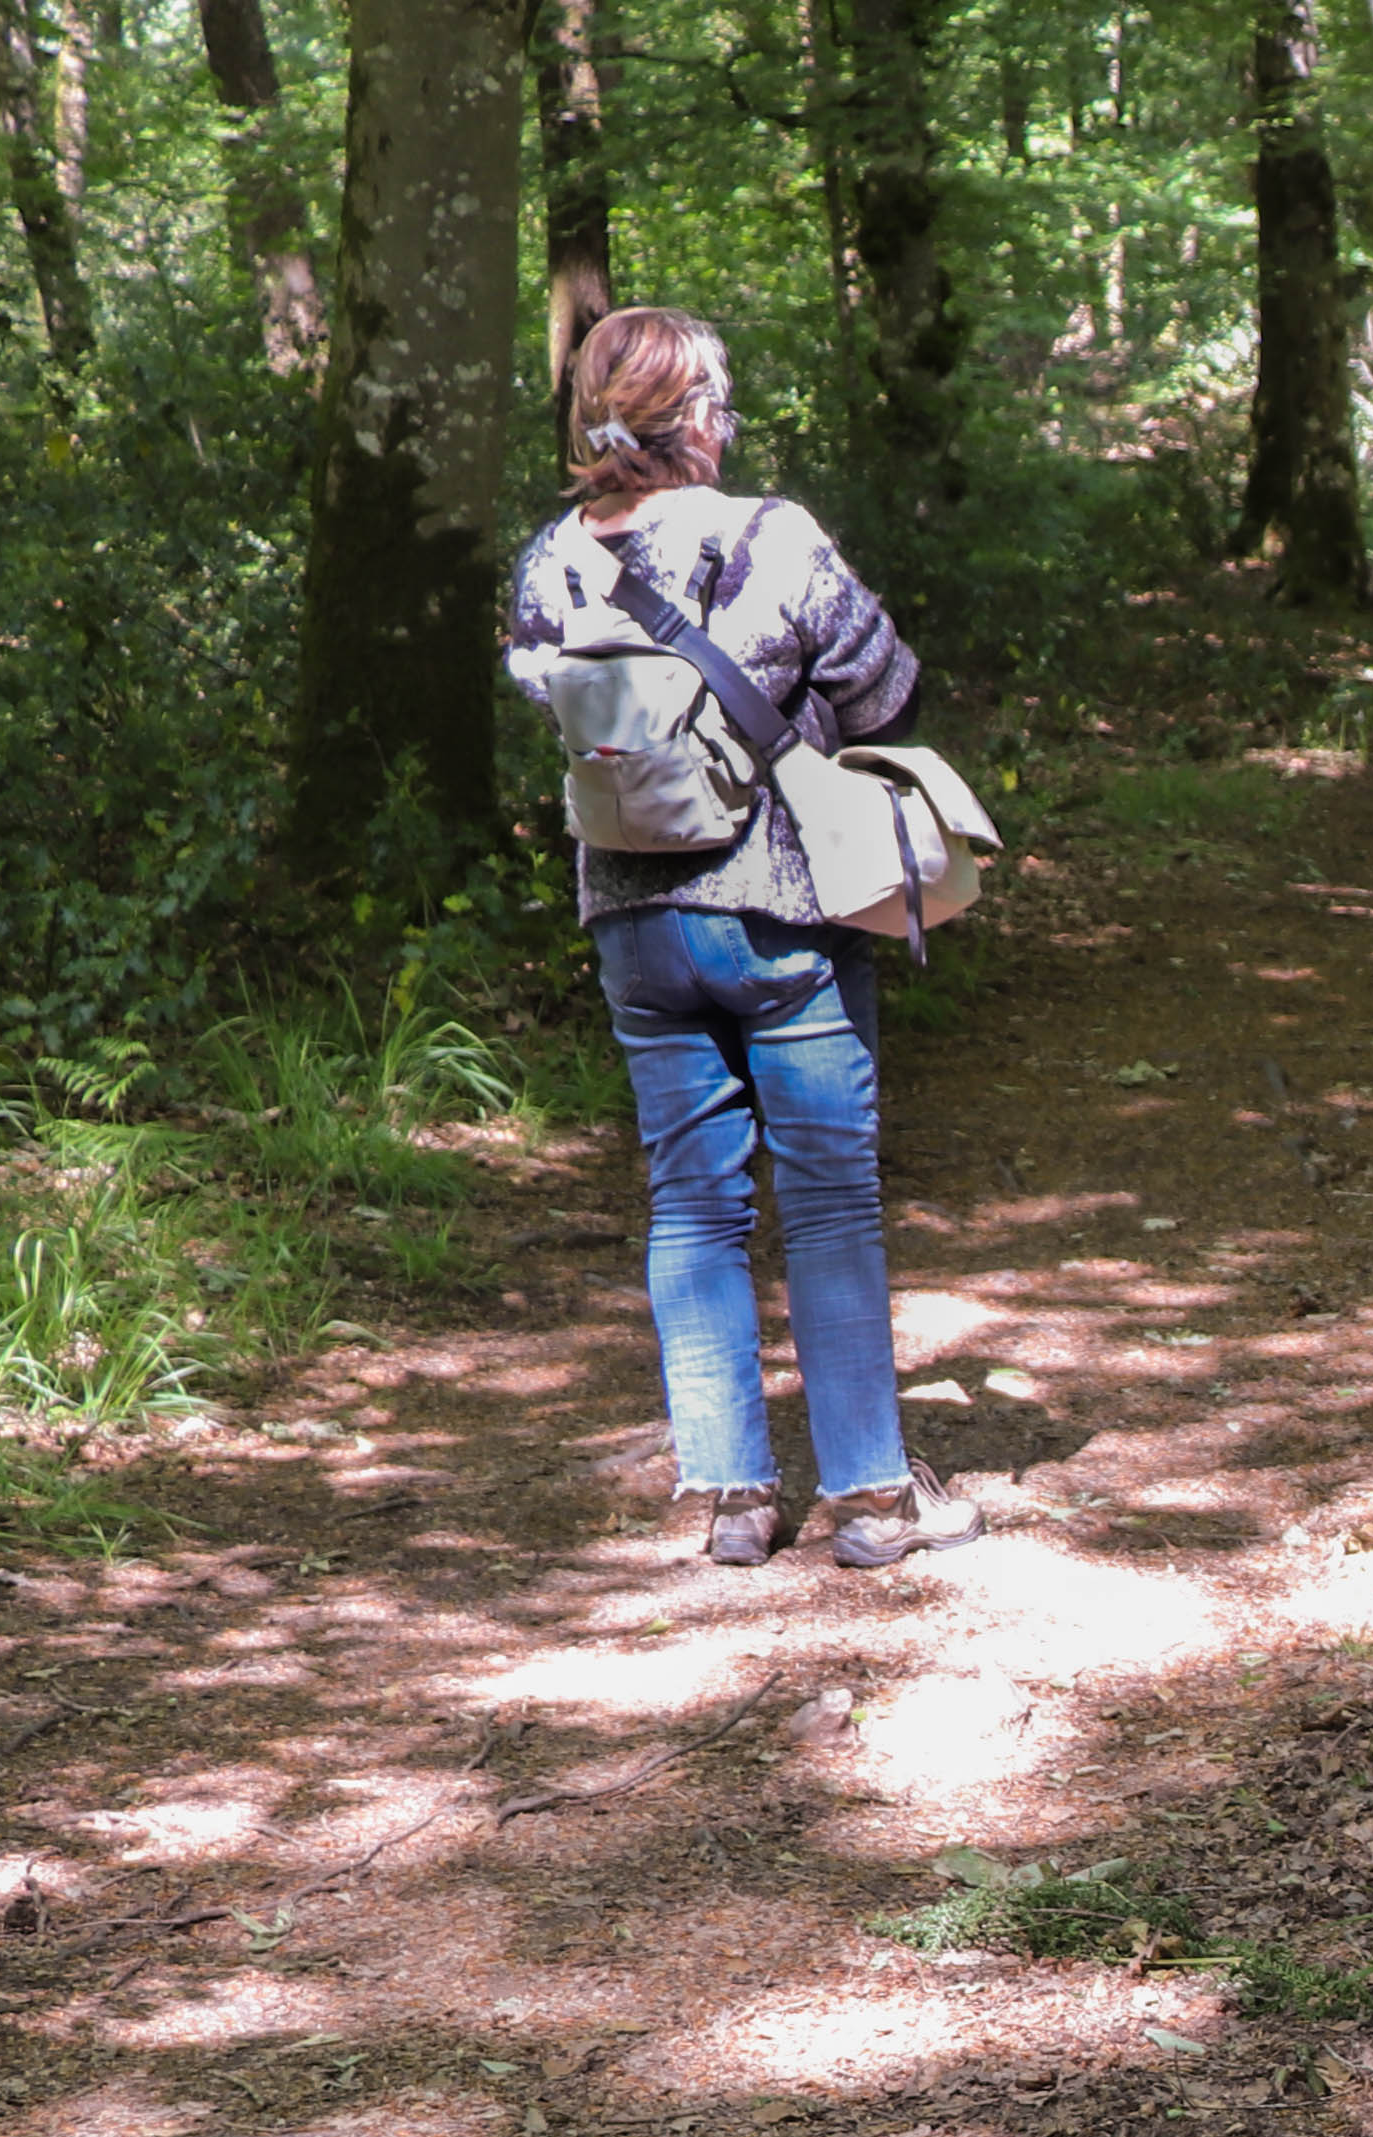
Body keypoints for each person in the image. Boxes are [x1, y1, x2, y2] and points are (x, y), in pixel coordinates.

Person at [501, 308, 971, 1572]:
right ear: (693, 410)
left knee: (691, 1207)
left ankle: (729, 1499)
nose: (730, 420)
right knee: (827, 1202)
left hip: (633, 924)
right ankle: (871, 1497)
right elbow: (887, 690)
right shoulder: (772, 534)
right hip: (781, 910)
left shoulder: (549, 560)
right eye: (722, 400)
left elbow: (543, 697)